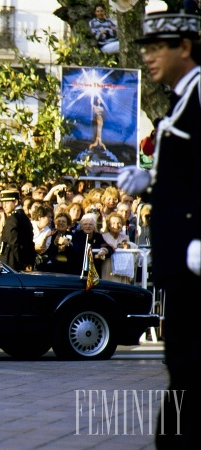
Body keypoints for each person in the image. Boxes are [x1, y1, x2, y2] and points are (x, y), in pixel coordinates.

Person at [117, 11, 201, 447]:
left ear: (183, 48)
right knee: (183, 363)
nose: (148, 58)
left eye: (156, 48)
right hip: (179, 257)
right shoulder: (181, 97)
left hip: (193, 256)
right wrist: (151, 182)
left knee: (188, 365)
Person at [0, 189, 36, 271]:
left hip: (11, 263)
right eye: (3, 203)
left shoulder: (12, 218)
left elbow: (14, 243)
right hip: (21, 262)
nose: (4, 206)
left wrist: (22, 262)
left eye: (7, 202)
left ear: (15, 202)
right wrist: (28, 261)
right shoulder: (24, 217)